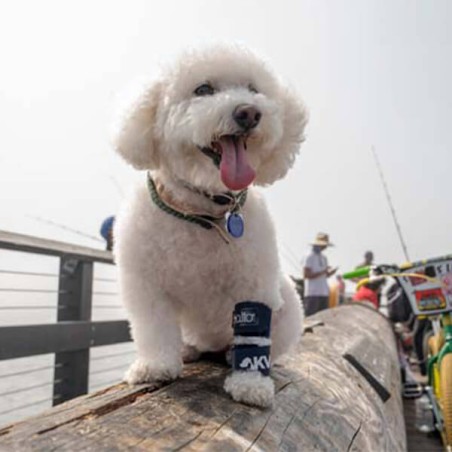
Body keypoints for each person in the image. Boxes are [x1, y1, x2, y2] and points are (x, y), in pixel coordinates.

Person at [303, 232, 337, 316]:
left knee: (323, 318)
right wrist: (323, 272)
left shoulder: (324, 257)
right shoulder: (309, 256)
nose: (325, 247)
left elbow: (325, 275)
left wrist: (330, 273)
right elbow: (306, 275)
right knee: (311, 318)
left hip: (324, 292)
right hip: (312, 293)